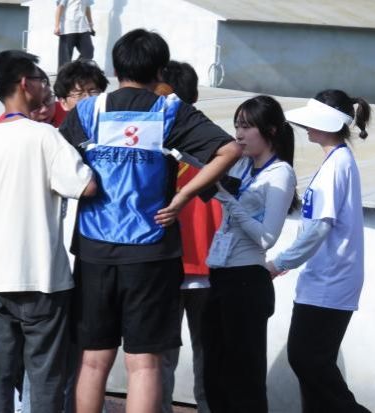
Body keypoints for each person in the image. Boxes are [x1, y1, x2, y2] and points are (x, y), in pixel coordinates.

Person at [59, 29, 241, 413]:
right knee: (144, 364)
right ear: (160, 71)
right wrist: (185, 195)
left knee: (92, 361)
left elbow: (57, 162)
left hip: (94, 248)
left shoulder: (88, 111)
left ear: (116, 68)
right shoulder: (170, 111)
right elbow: (229, 150)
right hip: (152, 251)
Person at [0, 50, 97, 413]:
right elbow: (85, 186)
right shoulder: (45, 136)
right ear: (25, 84)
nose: (47, 88)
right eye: (42, 80)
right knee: (46, 378)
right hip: (42, 278)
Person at [266, 90, 372, 413]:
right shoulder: (336, 162)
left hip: (330, 281)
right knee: (312, 367)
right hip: (324, 279)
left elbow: (318, 228)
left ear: (329, 123)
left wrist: (279, 263)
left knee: (308, 361)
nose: (306, 127)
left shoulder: (337, 164)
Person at [201, 95, 298, 413]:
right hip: (220, 274)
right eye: (237, 126)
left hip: (247, 280)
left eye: (246, 127)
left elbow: (267, 237)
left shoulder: (280, 173)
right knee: (214, 373)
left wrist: (229, 201)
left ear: (270, 130)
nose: (239, 134)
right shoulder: (241, 165)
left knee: (243, 378)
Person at [156, 60, 221, 413]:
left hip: (177, 264)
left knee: (164, 358)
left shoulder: (159, 138)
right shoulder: (215, 141)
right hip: (197, 266)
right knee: (203, 354)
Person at [54, 0, 95, 69]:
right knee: (65, 59)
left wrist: (90, 24)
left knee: (88, 52)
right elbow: (60, 7)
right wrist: (57, 26)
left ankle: (75, 68)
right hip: (68, 29)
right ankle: (64, 74)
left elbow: (87, 8)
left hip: (83, 28)